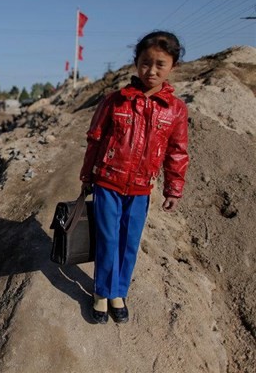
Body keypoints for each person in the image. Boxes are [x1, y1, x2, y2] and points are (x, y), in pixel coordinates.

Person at [79, 31, 189, 324]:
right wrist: (87, 175)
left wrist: (173, 189)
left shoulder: (176, 110)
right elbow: (96, 139)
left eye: (160, 64)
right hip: (108, 183)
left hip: (141, 188)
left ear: (172, 66)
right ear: (136, 63)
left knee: (129, 241)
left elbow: (177, 151)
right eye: (144, 63)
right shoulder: (114, 101)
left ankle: (119, 291)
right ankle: (101, 292)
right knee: (107, 238)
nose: (151, 71)